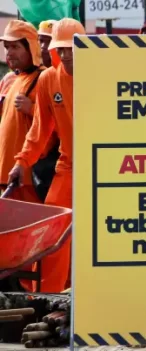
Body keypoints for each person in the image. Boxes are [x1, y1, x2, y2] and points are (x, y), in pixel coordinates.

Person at [8, 18, 86, 293]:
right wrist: (22, 162)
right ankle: (48, 295)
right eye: (60, 49)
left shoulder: (101, 76)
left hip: (103, 167)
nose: (65, 54)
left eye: (71, 48)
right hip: (68, 167)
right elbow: (40, 130)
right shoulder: (49, 79)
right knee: (52, 229)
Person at [0, 20, 44, 203]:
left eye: (15, 46)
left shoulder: (43, 77)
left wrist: (32, 109)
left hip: (27, 179)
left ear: (31, 48)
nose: (9, 52)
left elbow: (58, 123)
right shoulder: (10, 79)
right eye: (6, 47)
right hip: (7, 176)